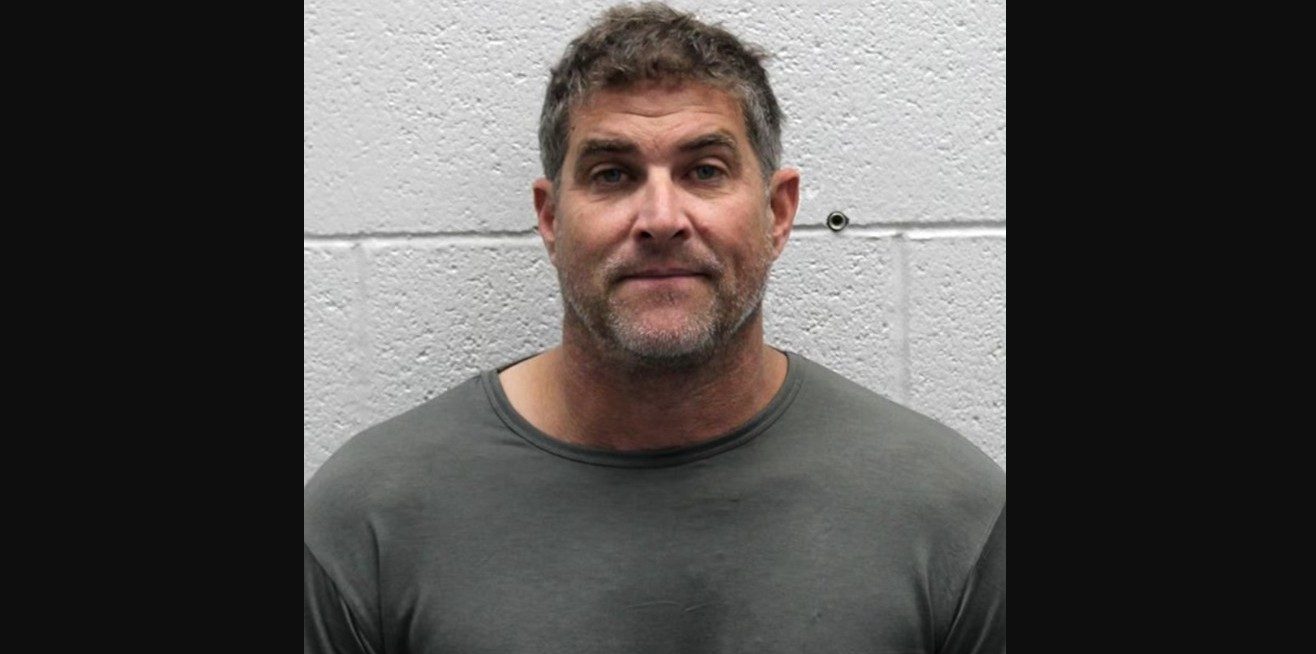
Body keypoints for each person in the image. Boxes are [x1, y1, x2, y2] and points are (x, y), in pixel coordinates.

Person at [304, 3, 1005, 652]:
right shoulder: (367, 522)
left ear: (778, 212)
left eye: (704, 170)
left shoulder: (950, 518)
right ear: (551, 219)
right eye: (612, 175)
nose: (662, 219)